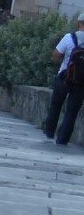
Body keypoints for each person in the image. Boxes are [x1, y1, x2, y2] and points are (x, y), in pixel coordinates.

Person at [43, 13, 84, 145]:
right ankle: (62, 139)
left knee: (56, 105)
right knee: (72, 111)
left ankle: (49, 131)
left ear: (78, 22)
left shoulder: (69, 37)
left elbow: (56, 55)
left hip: (64, 77)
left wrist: (65, 62)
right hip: (81, 82)